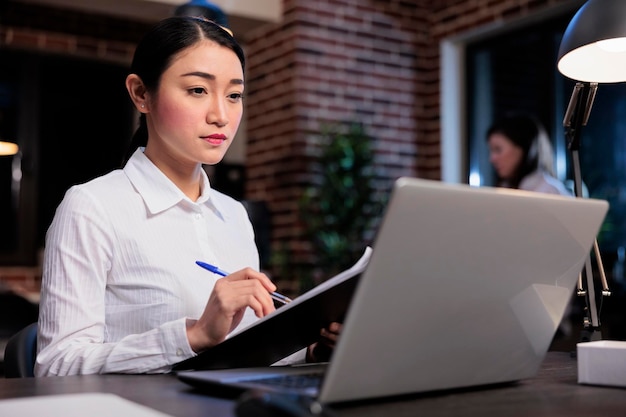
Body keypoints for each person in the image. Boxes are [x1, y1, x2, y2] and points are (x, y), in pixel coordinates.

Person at [35, 16, 338, 376]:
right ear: (141, 94)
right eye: (197, 90)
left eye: (234, 95)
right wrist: (193, 335)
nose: (221, 116)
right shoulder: (92, 207)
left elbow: (243, 351)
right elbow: (56, 366)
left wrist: (314, 351)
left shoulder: (234, 215)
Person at [486, 113, 571, 196]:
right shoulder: (505, 189)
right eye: (491, 151)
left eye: (498, 150)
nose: (492, 159)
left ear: (522, 148)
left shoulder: (550, 192)